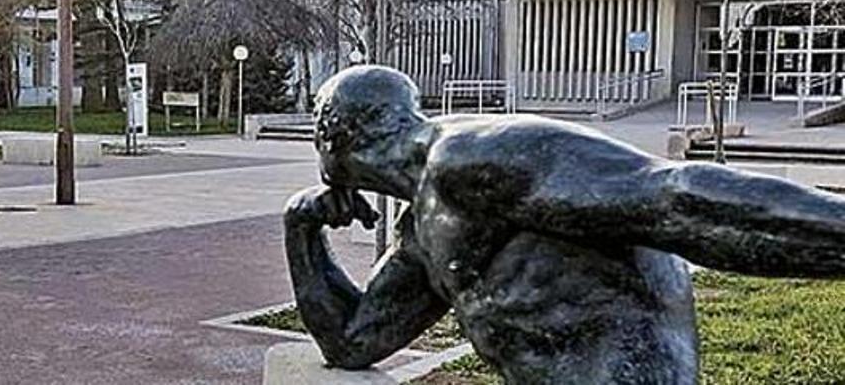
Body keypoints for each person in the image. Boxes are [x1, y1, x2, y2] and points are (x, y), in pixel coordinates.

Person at [285, 66, 845, 383]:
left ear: (328, 141)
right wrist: (301, 229)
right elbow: (352, 343)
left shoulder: (474, 158)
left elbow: (676, 200)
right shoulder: (424, 226)